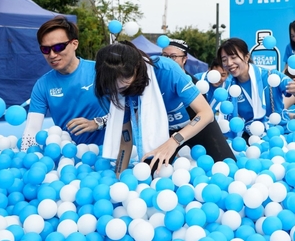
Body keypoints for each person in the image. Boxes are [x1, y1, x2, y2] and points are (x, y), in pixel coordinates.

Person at [95, 41, 234, 174]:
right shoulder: (115, 90)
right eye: (114, 87)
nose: (119, 91)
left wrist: (174, 141)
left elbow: (206, 113)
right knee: (150, 174)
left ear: (136, 69)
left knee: (227, 168)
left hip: (195, 123)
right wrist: (119, 176)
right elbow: (125, 140)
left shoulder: (166, 69)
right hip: (162, 131)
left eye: (124, 86)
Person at [21, 16, 109, 151]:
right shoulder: (42, 85)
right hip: (69, 155)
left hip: (107, 153)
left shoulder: (101, 71)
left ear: (74, 44)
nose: (52, 55)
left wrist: (97, 123)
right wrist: (27, 155)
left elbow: (127, 112)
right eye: (45, 49)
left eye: (58, 47)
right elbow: (32, 130)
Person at [219, 38, 295, 137]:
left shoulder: (271, 76)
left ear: (246, 57)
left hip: (280, 133)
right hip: (253, 137)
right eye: (224, 60)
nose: (229, 63)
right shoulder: (228, 88)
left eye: (233, 57)